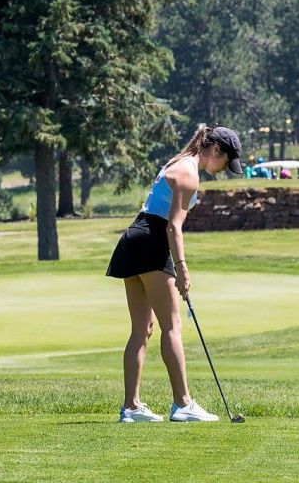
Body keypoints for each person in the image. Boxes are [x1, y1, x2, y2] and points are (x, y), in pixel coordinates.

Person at [105, 123, 242, 423]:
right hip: (152, 240)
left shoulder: (177, 161)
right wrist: (182, 268)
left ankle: (131, 408)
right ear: (215, 150)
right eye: (225, 162)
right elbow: (173, 226)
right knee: (172, 325)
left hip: (134, 238)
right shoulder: (189, 174)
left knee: (143, 329)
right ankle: (182, 404)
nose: (222, 169)